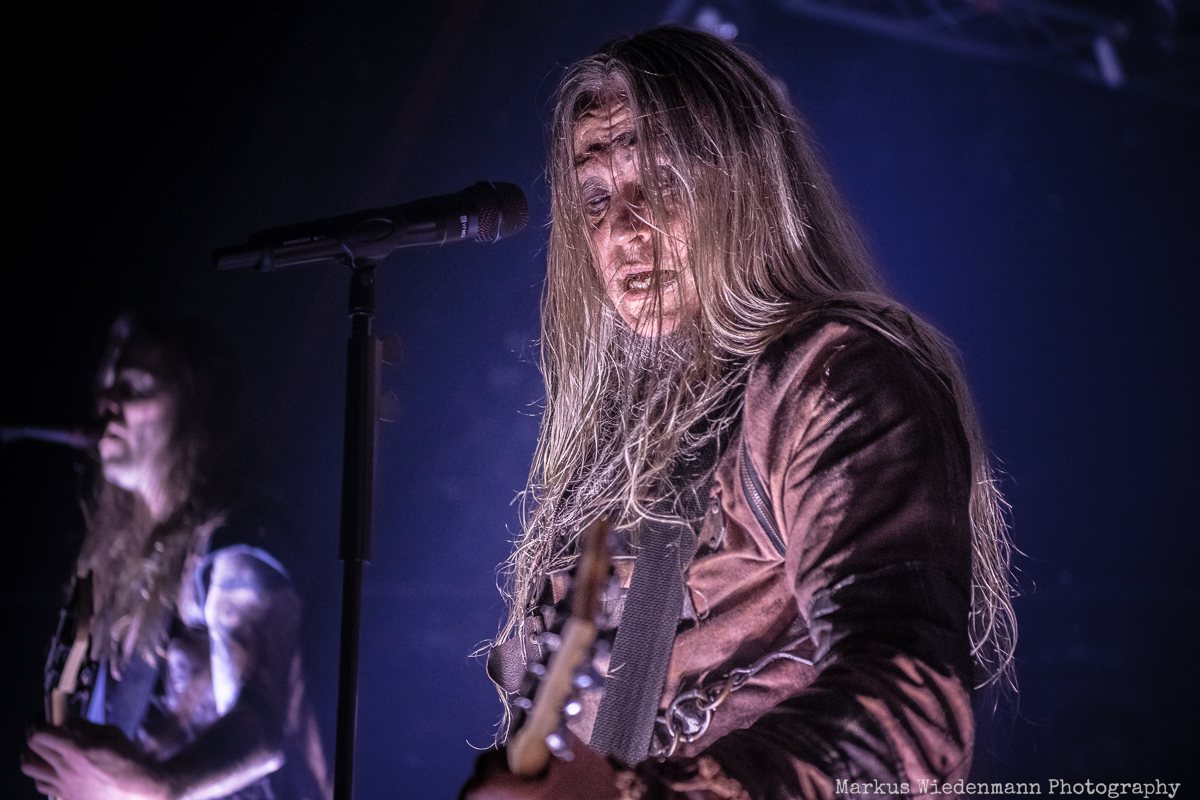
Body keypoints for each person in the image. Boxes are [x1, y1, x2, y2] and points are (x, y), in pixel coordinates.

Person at [463, 26, 1016, 800]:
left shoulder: (833, 378)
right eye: (596, 198)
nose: (623, 227)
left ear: (743, 184)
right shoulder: (608, 452)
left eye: (661, 181)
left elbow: (913, 709)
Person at [23, 314, 330, 800]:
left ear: (197, 410)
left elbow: (260, 729)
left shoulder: (235, 543)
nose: (107, 402)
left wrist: (159, 786)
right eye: (108, 386)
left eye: (135, 388)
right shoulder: (121, 559)